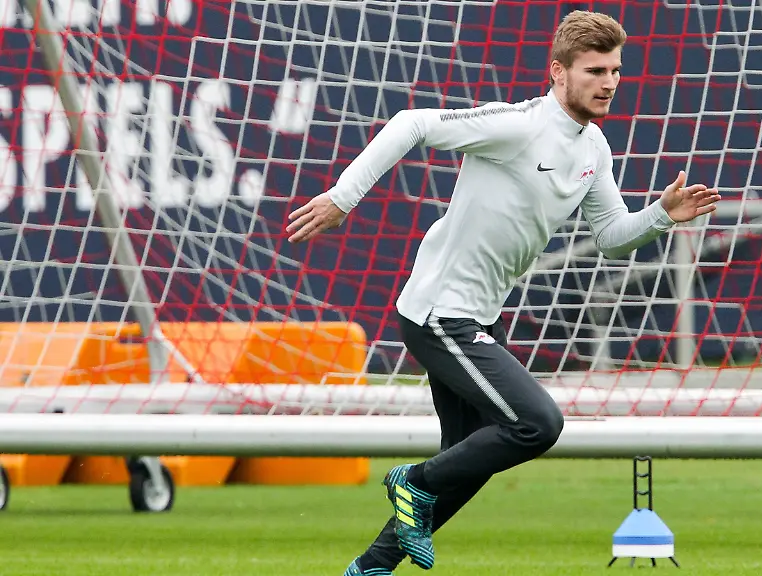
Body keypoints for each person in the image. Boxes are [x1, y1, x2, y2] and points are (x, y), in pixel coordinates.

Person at [285, 10, 720, 575]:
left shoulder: (593, 148)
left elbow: (611, 237)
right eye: (595, 71)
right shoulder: (519, 125)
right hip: (439, 314)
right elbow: (411, 123)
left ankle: (370, 567)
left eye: (615, 70)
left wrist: (661, 214)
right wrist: (344, 198)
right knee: (538, 424)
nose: (609, 82)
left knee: (468, 460)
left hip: (477, 318)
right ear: (558, 72)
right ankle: (412, 480)